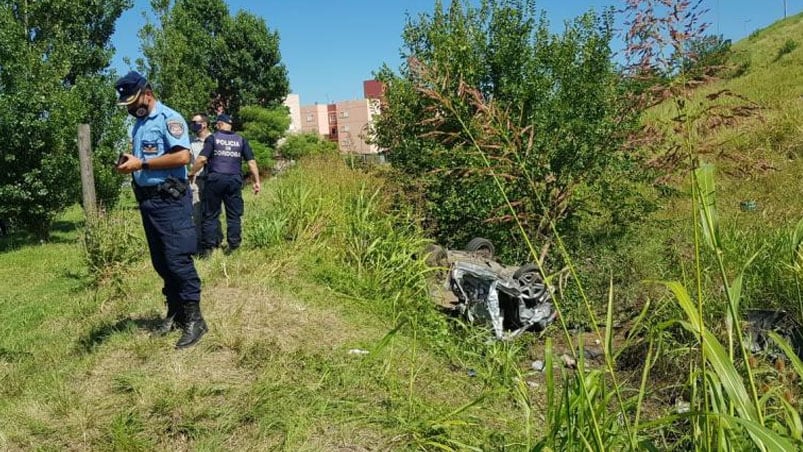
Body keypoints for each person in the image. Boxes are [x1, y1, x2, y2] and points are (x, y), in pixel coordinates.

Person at [114, 71, 207, 349]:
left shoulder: (170, 118)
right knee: (161, 261)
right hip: (148, 201)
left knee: (178, 259)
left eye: (132, 102)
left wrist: (140, 165)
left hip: (170, 201)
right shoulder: (140, 124)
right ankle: (176, 313)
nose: (130, 108)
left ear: (147, 92)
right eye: (126, 104)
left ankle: (195, 320)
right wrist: (130, 164)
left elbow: (182, 156)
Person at [189, 114, 261, 256]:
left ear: (219, 125)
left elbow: (202, 159)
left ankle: (209, 249)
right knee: (234, 215)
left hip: (215, 180)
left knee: (210, 215)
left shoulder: (213, 138)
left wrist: (191, 173)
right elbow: (251, 162)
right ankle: (234, 246)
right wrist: (256, 181)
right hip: (234, 180)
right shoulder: (241, 140)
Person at [188, 113, 222, 250]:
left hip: (212, 181)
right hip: (196, 181)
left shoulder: (216, 140)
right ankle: (200, 244)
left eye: (195, 122)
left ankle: (216, 241)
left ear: (204, 124)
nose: (192, 125)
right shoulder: (190, 141)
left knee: (213, 213)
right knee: (195, 213)